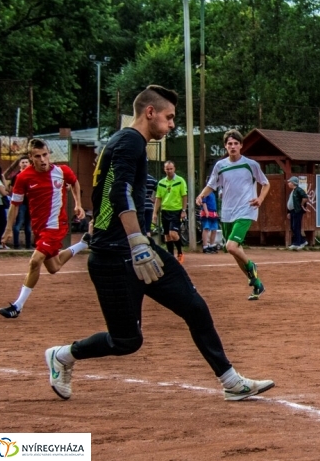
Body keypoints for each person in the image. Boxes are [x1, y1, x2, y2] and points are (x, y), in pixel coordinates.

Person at [44, 84, 274, 402]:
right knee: (126, 341)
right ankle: (63, 356)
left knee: (194, 307)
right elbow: (119, 191)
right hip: (114, 257)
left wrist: (141, 244)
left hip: (138, 250)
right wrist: (138, 242)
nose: (171, 125)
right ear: (149, 113)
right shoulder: (129, 140)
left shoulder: (132, 143)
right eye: (168, 118)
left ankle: (231, 381)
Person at [0, 138, 89, 318]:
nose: (42, 159)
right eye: (38, 156)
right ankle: (83, 243)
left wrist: (78, 204)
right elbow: (14, 205)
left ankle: (17, 306)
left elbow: (75, 182)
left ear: (49, 154)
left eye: (45, 155)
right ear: (31, 158)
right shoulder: (23, 177)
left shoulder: (62, 171)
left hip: (56, 226)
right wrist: (8, 229)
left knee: (35, 261)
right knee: (53, 267)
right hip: (39, 228)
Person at [195, 130, 271, 301]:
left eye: (236, 143)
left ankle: (252, 266)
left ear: (241, 146)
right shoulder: (220, 166)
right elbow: (211, 185)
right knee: (235, 251)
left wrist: (260, 199)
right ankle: (256, 283)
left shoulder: (251, 165)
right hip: (228, 212)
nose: (233, 146)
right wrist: (201, 195)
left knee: (231, 246)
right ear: (225, 146)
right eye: (229, 144)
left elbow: (265, 184)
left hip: (246, 210)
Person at [153, 161, 187, 263]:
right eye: (167, 169)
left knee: (173, 234)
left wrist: (183, 210)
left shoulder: (180, 181)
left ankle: (180, 252)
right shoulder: (161, 183)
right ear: (164, 169)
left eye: (171, 169)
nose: (169, 171)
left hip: (176, 211)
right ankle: (171, 257)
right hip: (165, 211)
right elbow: (158, 198)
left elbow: (184, 196)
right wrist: (154, 213)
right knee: (167, 236)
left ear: (174, 169)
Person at [10, 157, 33, 249]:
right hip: (21, 203)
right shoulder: (16, 176)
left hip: (30, 203)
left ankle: (28, 245)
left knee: (28, 225)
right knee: (19, 223)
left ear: (29, 163)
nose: (24, 163)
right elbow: (12, 189)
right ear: (19, 164)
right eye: (22, 162)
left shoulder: (32, 175)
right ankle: (16, 245)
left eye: (26, 162)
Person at [286, 176, 310, 250]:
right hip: (292, 211)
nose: (288, 183)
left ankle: (297, 243)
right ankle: (302, 241)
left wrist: (302, 205)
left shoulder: (299, 190)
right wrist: (289, 212)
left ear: (293, 183)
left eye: (289, 182)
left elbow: (305, 197)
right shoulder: (293, 191)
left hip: (297, 211)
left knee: (296, 227)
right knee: (293, 227)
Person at [200, 189, 220, 253]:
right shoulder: (206, 191)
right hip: (207, 212)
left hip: (213, 212)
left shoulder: (213, 193)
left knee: (214, 229)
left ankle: (211, 245)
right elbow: (204, 202)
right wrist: (206, 211)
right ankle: (205, 245)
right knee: (206, 228)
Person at [144, 172, 157, 237]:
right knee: (147, 230)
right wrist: (154, 199)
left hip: (138, 206)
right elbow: (159, 191)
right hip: (149, 206)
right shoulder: (152, 179)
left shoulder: (135, 177)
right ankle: (149, 244)